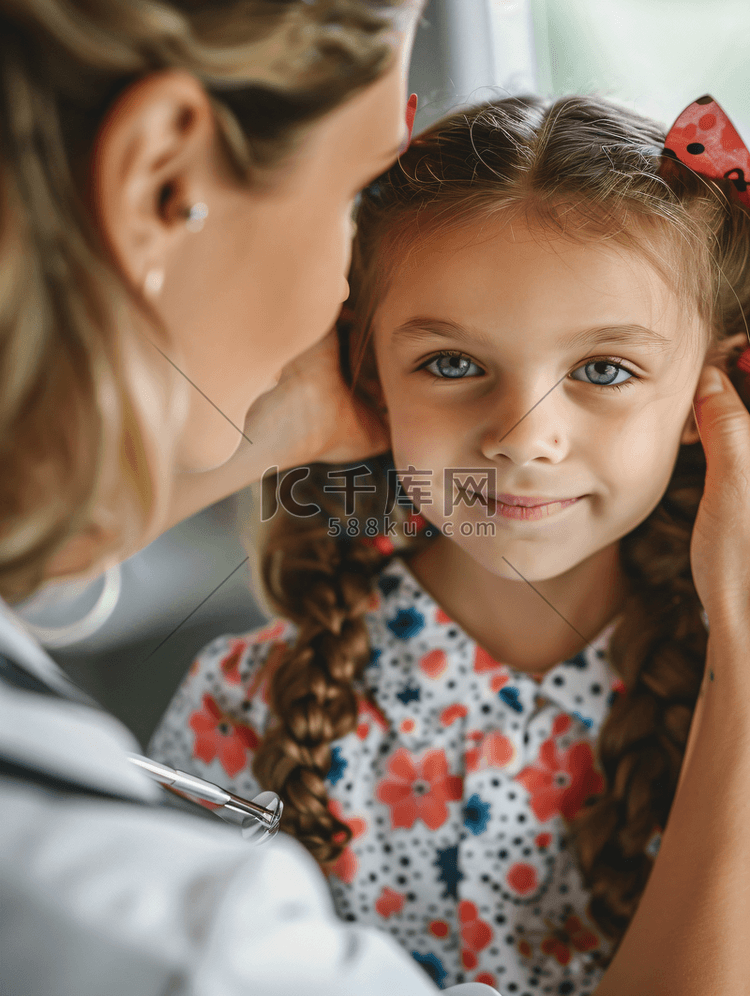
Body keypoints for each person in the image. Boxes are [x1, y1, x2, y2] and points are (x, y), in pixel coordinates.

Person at [150, 94, 750, 995]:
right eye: (454, 364)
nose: (523, 436)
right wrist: (283, 427)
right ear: (370, 372)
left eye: (604, 370)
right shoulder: (239, 707)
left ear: (717, 394)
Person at [0, 1, 504, 993]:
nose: (350, 291)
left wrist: (276, 426)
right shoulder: (187, 943)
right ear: (162, 180)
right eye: (359, 192)